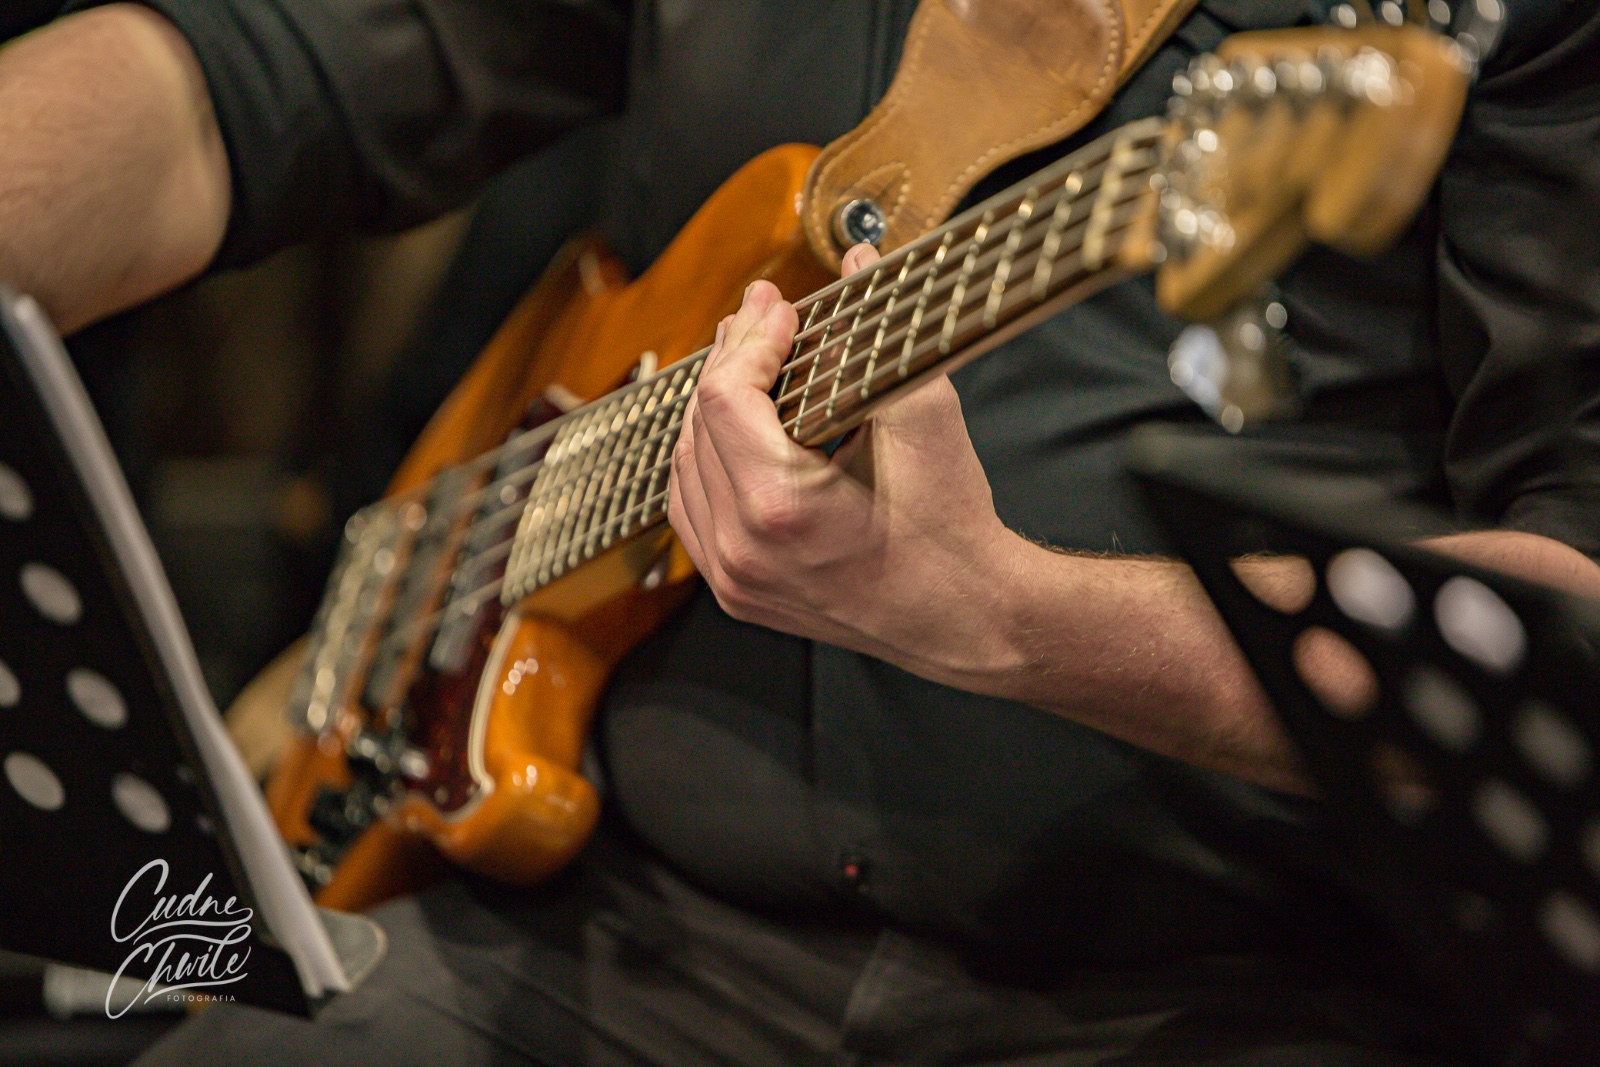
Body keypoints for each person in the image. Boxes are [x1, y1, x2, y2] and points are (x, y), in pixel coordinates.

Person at [2, 1, 1598, 1063]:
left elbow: (1574, 608)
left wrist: (1013, 619)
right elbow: (247, 84)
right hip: (623, 927)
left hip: (1238, 993)